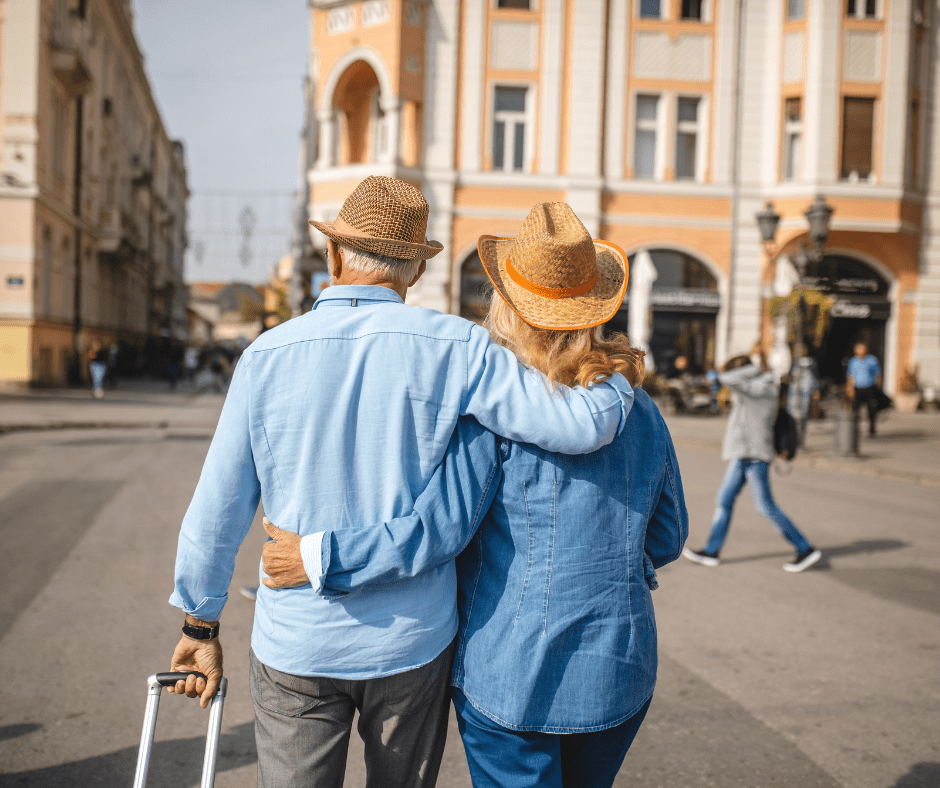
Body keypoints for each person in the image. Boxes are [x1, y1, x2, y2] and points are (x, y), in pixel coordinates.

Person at [165, 180, 635, 788]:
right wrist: (619, 374)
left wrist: (199, 625)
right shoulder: (458, 347)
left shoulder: (265, 355)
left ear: (334, 256)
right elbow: (578, 426)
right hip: (410, 642)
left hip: (298, 640)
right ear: (416, 271)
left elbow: (215, 513)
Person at [263, 203, 688, 788]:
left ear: (506, 305)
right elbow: (668, 536)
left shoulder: (496, 414)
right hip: (620, 667)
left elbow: (436, 533)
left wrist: (321, 555)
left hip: (512, 672)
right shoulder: (639, 409)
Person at [683, 344, 822, 573]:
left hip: (754, 455)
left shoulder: (761, 388)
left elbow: (726, 378)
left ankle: (804, 548)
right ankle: (712, 551)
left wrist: (752, 366)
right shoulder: (756, 387)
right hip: (744, 454)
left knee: (765, 506)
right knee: (724, 500)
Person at [847, 342, 882, 436]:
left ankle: (872, 429)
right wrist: (850, 389)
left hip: (870, 387)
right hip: (858, 387)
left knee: (871, 408)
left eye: (862, 349)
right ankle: (855, 429)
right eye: (858, 349)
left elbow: (878, 374)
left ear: (866, 349)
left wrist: (878, 388)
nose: (860, 351)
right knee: (855, 409)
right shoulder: (853, 361)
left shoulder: (872, 360)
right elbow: (850, 376)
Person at [788, 346, 819, 443]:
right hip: (794, 390)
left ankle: (802, 433)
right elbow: (789, 375)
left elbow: (815, 376)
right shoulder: (794, 362)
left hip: (806, 390)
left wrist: (816, 390)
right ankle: (794, 435)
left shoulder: (811, 362)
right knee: (792, 412)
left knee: (804, 412)